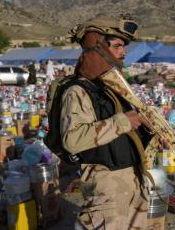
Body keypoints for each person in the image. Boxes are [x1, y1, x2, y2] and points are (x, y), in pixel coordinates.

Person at [60, 15, 151, 229]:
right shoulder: (78, 91)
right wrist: (122, 122)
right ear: (98, 45)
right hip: (107, 190)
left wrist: (147, 129)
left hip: (132, 181)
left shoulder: (113, 89)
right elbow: (72, 140)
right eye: (118, 46)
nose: (124, 52)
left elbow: (125, 131)